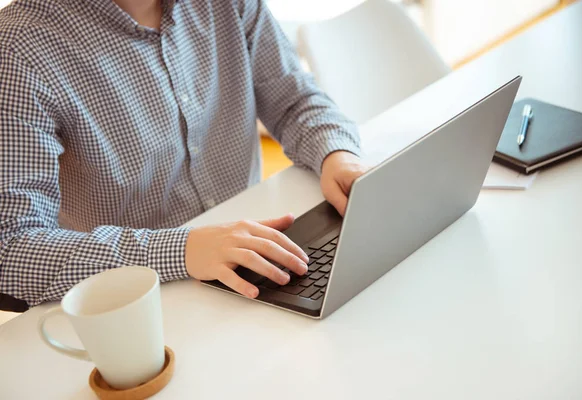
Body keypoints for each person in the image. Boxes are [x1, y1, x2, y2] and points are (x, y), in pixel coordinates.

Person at [0, 0, 367, 312]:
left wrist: (336, 152)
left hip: (263, 256)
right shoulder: (19, 47)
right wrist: (183, 248)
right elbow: (10, 248)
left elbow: (294, 99)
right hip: (143, 302)